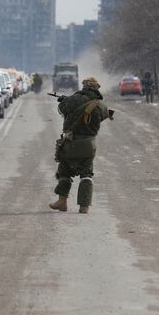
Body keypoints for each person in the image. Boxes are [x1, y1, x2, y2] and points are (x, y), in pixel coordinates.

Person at [49, 77, 113, 214]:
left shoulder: (75, 98)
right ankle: (84, 206)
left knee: (64, 171)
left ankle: (62, 202)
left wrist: (64, 101)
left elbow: (62, 109)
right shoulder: (100, 104)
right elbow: (104, 115)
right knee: (86, 174)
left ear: (84, 86)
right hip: (89, 144)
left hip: (71, 142)